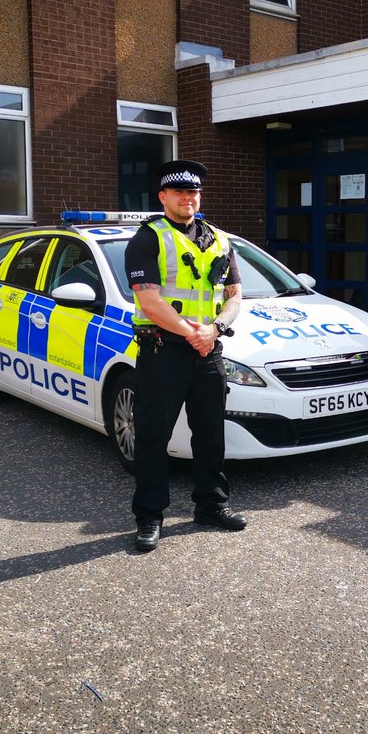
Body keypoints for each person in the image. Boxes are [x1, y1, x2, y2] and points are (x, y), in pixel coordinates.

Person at [124, 160, 247, 552]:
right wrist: (195, 333)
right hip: (163, 351)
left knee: (211, 433)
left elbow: (234, 295)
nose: (188, 197)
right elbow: (149, 301)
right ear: (163, 197)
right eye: (179, 192)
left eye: (193, 192)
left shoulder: (220, 240)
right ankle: (149, 516)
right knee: (152, 436)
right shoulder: (147, 239)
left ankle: (211, 505)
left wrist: (216, 329)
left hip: (208, 349)